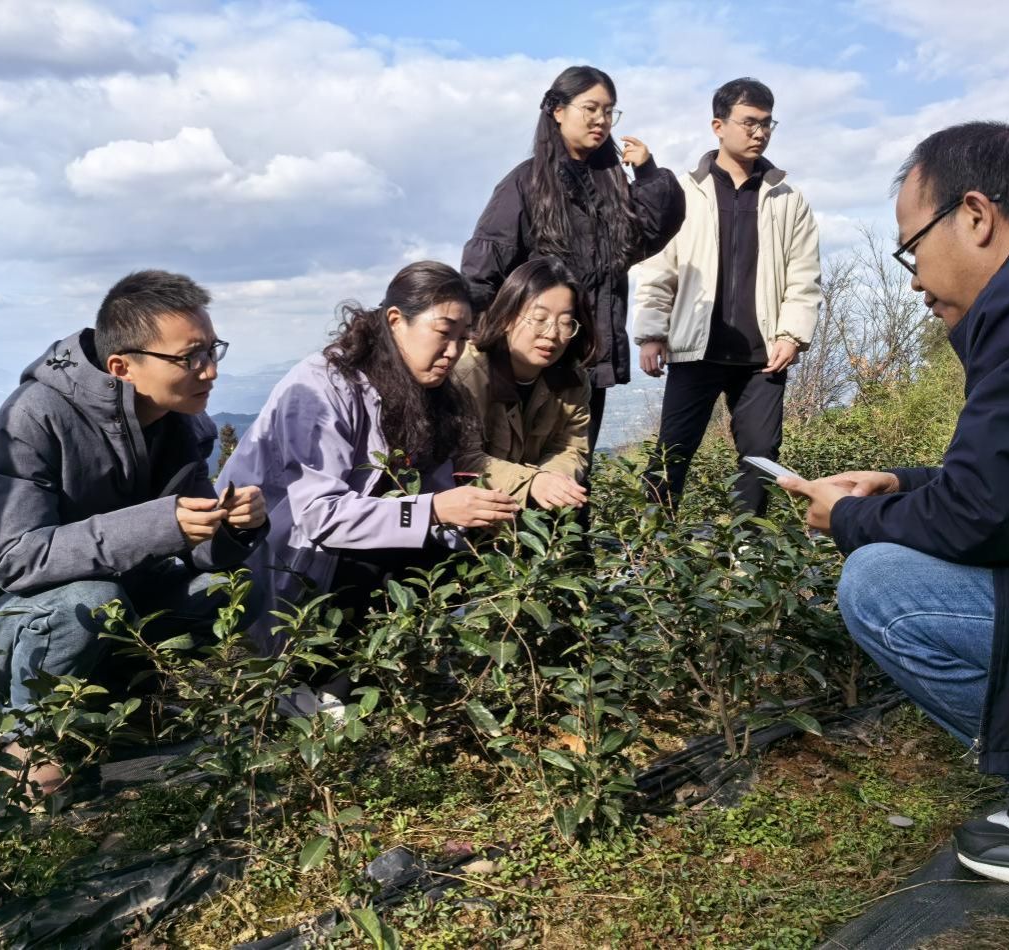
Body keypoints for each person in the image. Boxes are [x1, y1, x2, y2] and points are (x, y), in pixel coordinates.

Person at [778, 122, 1009, 888]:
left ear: (976, 215)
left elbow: (979, 516)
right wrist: (900, 483)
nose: (915, 280)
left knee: (883, 587)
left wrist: (848, 519)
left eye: (913, 249)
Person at [0, 270, 268, 792]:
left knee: (233, 587)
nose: (210, 370)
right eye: (190, 357)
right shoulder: (34, 416)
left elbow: (193, 555)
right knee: (89, 600)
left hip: (114, 605)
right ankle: (28, 748)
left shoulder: (183, 425)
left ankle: (123, 706)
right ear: (121, 367)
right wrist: (161, 524)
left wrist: (229, 530)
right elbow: (17, 559)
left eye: (212, 350)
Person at [218, 261, 520, 668]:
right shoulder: (322, 386)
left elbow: (434, 491)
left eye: (463, 338)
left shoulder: (432, 394)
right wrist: (434, 510)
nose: (453, 351)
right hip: (289, 568)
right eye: (443, 332)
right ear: (395, 320)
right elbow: (317, 515)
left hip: (356, 564)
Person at [461, 64, 685, 454]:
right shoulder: (525, 183)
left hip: (587, 360)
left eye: (609, 111)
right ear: (558, 111)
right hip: (531, 361)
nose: (601, 120)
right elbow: (482, 272)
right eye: (590, 108)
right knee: (520, 466)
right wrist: (490, 354)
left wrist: (648, 174)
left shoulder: (612, 186)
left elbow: (650, 234)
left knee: (575, 471)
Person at [633, 77, 821, 515]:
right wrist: (651, 333)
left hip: (762, 356)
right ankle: (651, 541)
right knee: (671, 453)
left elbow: (804, 273)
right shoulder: (684, 191)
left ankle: (749, 550)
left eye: (767, 123)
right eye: (749, 122)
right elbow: (660, 267)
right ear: (718, 126)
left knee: (761, 458)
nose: (760, 132)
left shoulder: (788, 197)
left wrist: (792, 335)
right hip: (694, 348)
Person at [452, 256, 595, 511]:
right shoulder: (466, 374)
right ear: (507, 317)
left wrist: (551, 480)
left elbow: (571, 448)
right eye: (539, 319)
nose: (552, 333)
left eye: (565, 323)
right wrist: (532, 483)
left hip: (532, 511)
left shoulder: (573, 380)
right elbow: (463, 458)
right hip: (471, 512)